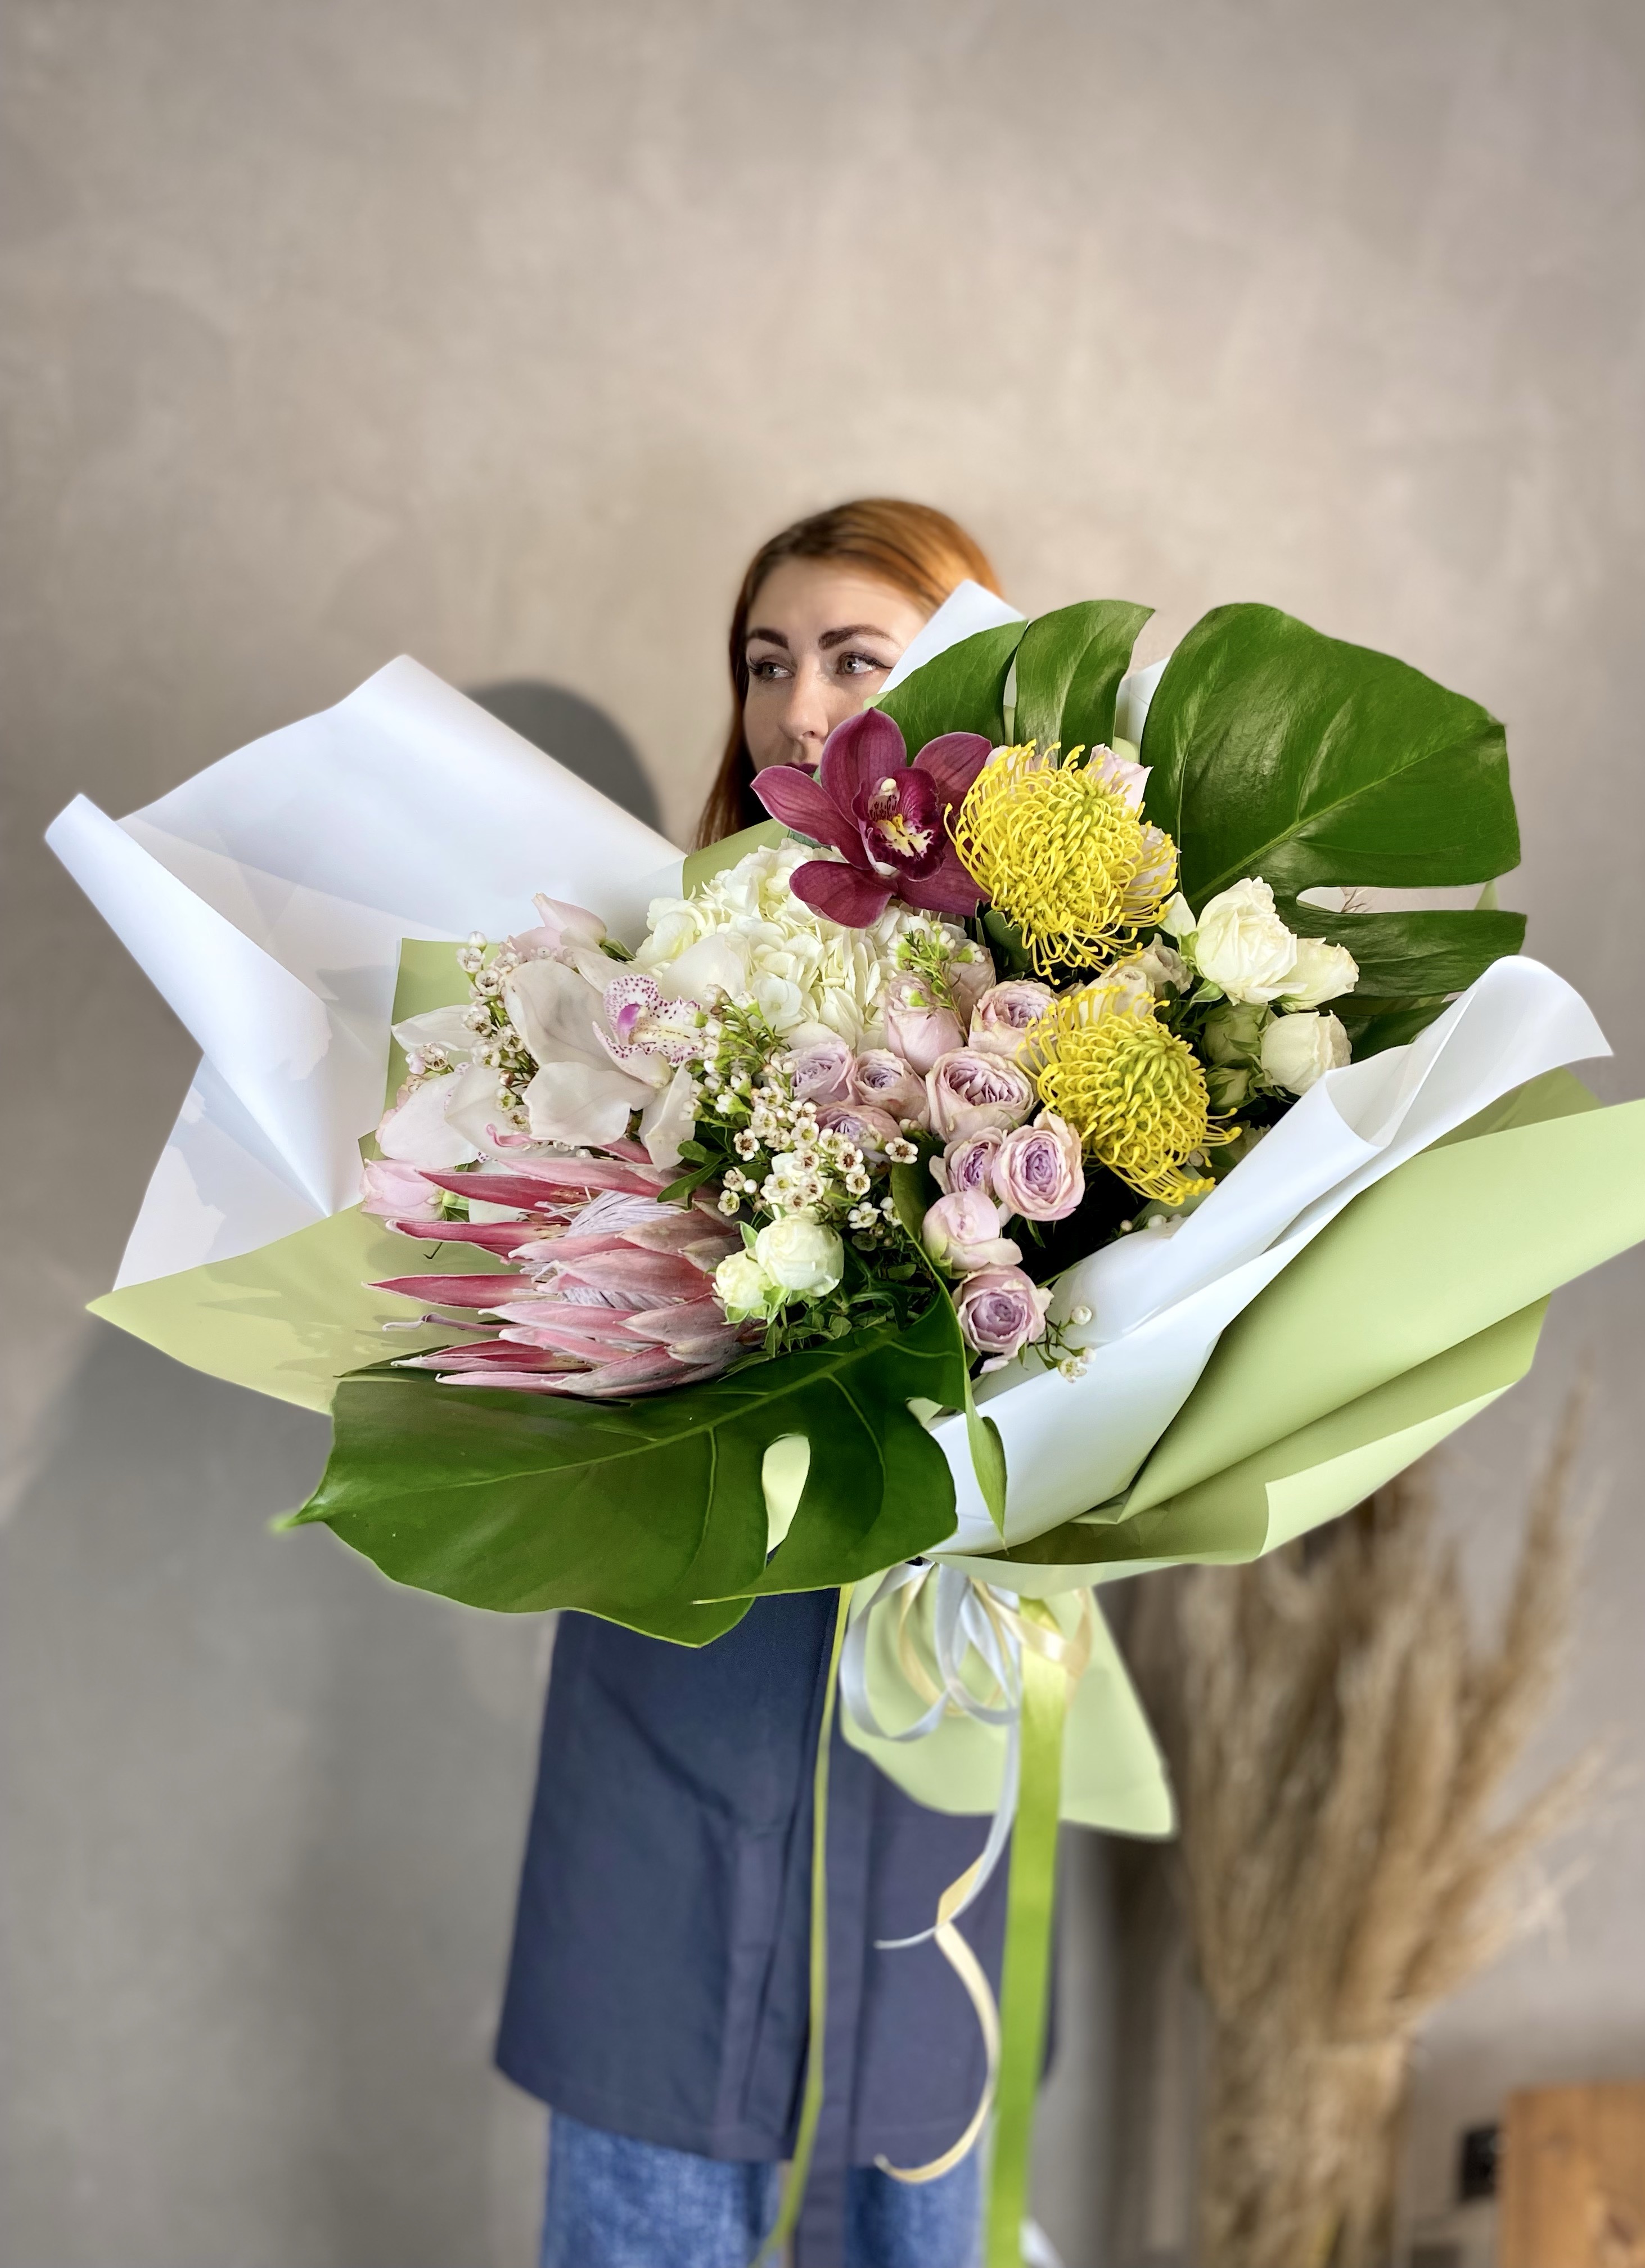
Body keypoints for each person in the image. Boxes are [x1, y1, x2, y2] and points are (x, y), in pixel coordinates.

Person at [497, 501, 1011, 2268]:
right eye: (766, 661)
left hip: (924, 1675)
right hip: (686, 1665)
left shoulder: (1068, 1002)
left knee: (912, 2141)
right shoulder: (648, 990)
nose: (800, 706)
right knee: (649, 2168)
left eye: (856, 659)